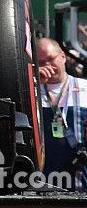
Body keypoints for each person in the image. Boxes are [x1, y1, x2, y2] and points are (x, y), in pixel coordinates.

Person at [37, 37, 87, 190]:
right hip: (45, 185)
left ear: (63, 57)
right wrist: (34, 81)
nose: (47, 65)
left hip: (81, 181)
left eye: (51, 59)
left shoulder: (84, 87)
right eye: (41, 62)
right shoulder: (32, 91)